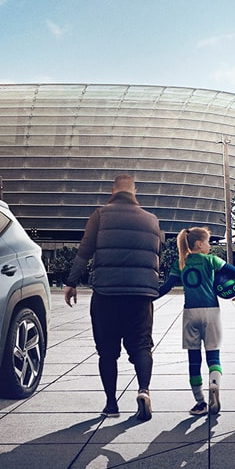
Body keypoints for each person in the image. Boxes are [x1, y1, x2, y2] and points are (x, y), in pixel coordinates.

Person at [64, 174, 164, 420]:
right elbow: (156, 254)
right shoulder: (152, 220)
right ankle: (144, 391)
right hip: (141, 296)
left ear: (113, 190)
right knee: (141, 346)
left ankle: (111, 405)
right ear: (134, 191)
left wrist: (71, 281)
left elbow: (85, 250)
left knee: (107, 351)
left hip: (107, 294)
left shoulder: (100, 215)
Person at [157, 227, 235, 415]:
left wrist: (148, 297)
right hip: (211, 311)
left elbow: (165, 288)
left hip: (190, 313)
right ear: (198, 244)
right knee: (214, 356)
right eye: (208, 242)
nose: (209, 246)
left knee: (194, 360)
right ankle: (214, 384)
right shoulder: (211, 260)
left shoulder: (180, 262)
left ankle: (200, 402)